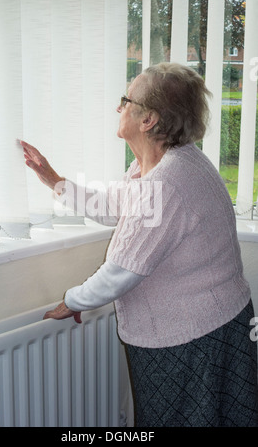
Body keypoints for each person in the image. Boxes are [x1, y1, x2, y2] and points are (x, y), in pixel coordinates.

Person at [20, 62, 258, 427]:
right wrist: (55, 180)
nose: (119, 108)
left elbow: (120, 273)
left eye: (125, 100)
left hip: (193, 341)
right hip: (220, 322)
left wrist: (71, 300)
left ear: (148, 120)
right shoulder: (169, 161)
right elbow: (113, 205)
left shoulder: (166, 182)